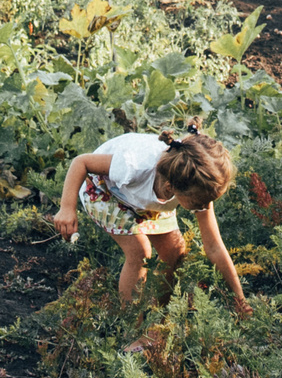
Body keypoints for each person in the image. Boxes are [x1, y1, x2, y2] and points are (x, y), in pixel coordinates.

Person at [51, 127, 250, 313]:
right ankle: (133, 325)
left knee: (175, 251)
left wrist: (240, 302)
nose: (205, 206)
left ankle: (158, 316)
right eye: (199, 202)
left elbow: (214, 247)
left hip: (145, 199)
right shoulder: (134, 166)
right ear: (172, 188)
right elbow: (81, 162)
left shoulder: (196, 186)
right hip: (104, 189)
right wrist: (67, 208)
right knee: (140, 252)